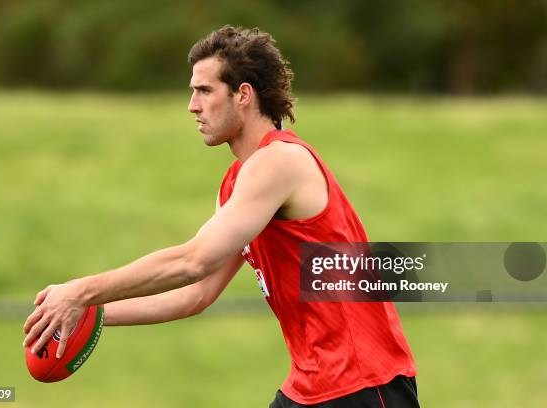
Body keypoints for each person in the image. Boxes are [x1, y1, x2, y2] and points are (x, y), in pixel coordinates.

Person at [23, 25, 419, 407]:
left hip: (363, 387)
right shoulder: (237, 183)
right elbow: (196, 294)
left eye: (204, 90)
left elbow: (195, 261)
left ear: (243, 95)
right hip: (312, 386)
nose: (192, 105)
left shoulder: (278, 161)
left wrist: (81, 292)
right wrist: (91, 316)